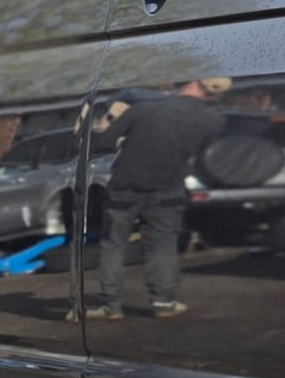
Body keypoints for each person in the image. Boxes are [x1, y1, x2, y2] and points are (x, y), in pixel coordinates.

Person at [88, 77, 230, 319]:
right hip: (169, 187)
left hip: (125, 186)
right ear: (213, 95)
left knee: (114, 244)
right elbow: (205, 156)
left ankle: (110, 305)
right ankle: (163, 302)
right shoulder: (214, 121)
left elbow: (103, 143)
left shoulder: (144, 109)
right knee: (162, 245)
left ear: (192, 84)